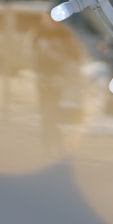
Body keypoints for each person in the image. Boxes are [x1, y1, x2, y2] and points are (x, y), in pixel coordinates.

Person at [31, 14, 83, 152]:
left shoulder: (63, 35)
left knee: (50, 110)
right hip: (43, 77)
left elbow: (74, 53)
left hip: (57, 78)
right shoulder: (38, 35)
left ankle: (51, 142)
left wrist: (67, 66)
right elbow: (34, 55)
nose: (49, 23)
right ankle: (53, 141)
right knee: (46, 112)